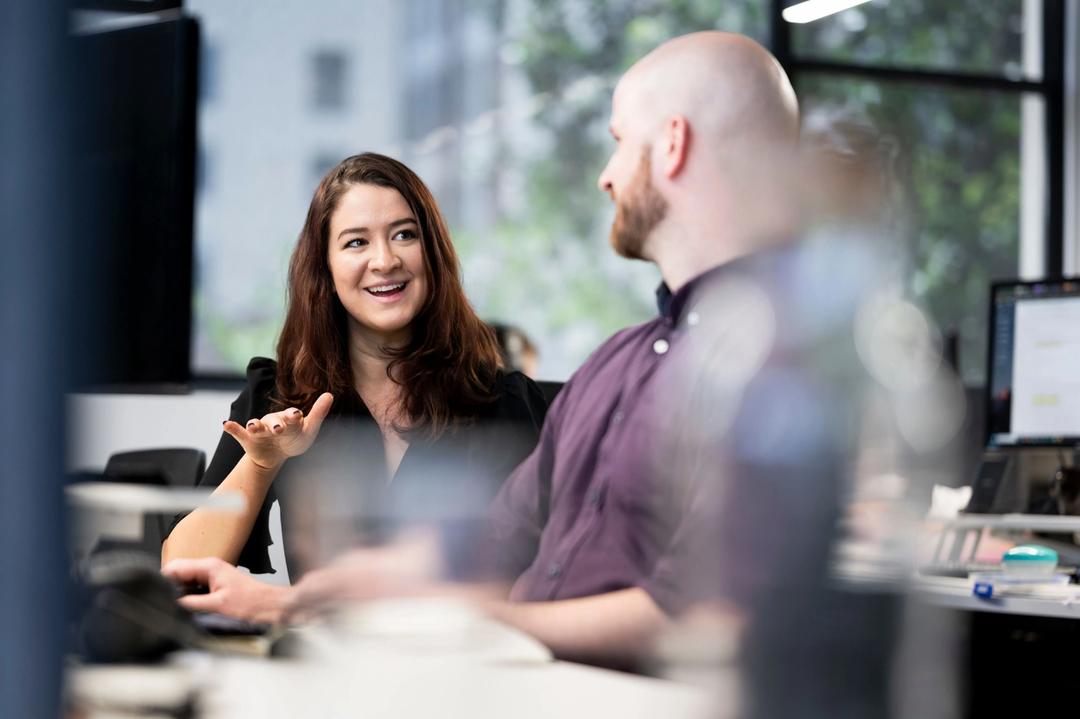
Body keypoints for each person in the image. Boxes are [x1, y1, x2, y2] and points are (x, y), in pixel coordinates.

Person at [165, 34, 897, 700]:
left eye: (618, 143)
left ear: (671, 146)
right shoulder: (612, 366)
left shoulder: (773, 366)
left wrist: (473, 614)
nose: (607, 176)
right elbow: (479, 541)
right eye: (354, 242)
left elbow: (701, 613)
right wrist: (302, 600)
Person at [161, 153, 548, 579]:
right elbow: (181, 568)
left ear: (433, 253)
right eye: (356, 242)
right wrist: (262, 463)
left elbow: (545, 570)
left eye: (404, 235)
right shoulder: (276, 395)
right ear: (325, 268)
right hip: (322, 644)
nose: (384, 260)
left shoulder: (504, 402)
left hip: (464, 643)